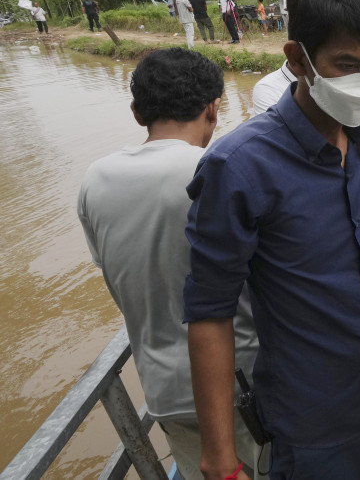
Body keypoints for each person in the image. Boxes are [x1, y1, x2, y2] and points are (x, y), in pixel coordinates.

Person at [184, 0, 360, 480]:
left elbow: (354, 222)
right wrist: (219, 457)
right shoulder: (238, 168)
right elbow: (209, 314)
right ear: (297, 59)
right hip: (316, 415)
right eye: (347, 66)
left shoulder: (359, 137)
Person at [77, 48, 262, 480]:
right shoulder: (222, 170)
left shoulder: (94, 180)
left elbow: (118, 276)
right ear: (213, 109)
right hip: (245, 383)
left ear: (137, 112)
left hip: (162, 388)